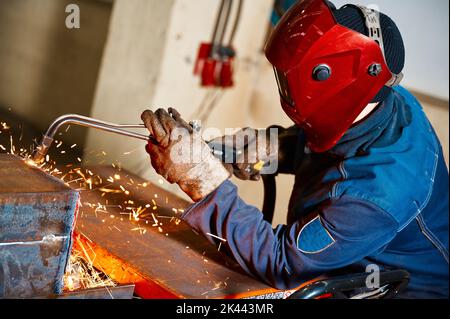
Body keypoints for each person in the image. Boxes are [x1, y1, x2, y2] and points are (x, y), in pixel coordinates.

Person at [141, 0, 449, 298]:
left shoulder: (378, 197)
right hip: (351, 263)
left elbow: (282, 263)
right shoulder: (384, 98)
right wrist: (276, 148)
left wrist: (203, 181)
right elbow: (341, 141)